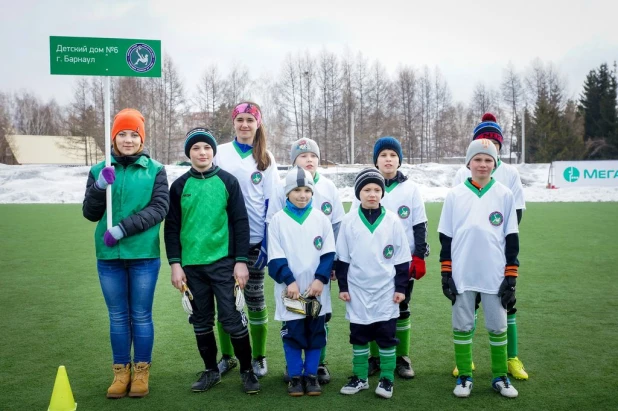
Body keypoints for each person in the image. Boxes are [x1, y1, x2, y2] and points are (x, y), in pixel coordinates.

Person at [164, 128, 260, 394]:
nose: (202, 152)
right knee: (201, 320)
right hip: (192, 267)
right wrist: (175, 264)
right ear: (189, 153)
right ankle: (210, 371)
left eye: (207, 148)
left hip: (224, 265)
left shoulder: (228, 182)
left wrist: (241, 261)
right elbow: (171, 227)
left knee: (232, 319)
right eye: (196, 148)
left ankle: (247, 371)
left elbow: (241, 222)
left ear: (213, 151)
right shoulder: (180, 186)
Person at [82, 108, 169, 399]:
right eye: (122, 134)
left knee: (141, 315)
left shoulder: (155, 169)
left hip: (143, 254)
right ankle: (121, 372)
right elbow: (90, 213)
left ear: (141, 138)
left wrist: (122, 229)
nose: (128, 140)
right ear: (114, 137)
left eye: (134, 134)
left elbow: (159, 208)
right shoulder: (99, 169)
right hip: (108, 258)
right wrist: (99, 187)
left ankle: (142, 371)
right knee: (118, 317)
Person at [438, 139, 520, 398]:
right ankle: (464, 376)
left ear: (495, 164)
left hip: (494, 275)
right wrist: (446, 273)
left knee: (498, 326)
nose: (483, 164)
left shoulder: (504, 195)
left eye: (488, 160)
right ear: (468, 163)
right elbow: (446, 238)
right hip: (463, 274)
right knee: (462, 326)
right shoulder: (455, 195)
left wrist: (511, 276)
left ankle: (500, 377)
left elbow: (512, 239)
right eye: (478, 159)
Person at [451, 112, 528, 381]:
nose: (488, 146)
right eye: (482, 140)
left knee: (507, 304)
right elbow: (457, 213)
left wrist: (500, 242)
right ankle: (466, 362)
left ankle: (511, 359)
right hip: (468, 256)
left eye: (493, 141)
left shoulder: (510, 173)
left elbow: (516, 214)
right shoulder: (463, 172)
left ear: (500, 146)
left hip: (498, 252)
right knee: (467, 306)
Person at [266, 138, 345, 384]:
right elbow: (275, 252)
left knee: (316, 327)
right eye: (303, 155)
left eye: (313, 155)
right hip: (290, 287)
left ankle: (314, 370)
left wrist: (324, 275)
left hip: (316, 284)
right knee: (294, 329)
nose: (302, 195)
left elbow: (331, 243)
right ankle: (295, 373)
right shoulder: (279, 215)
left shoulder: (322, 212)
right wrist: (288, 279)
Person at [351, 137, 429, 379]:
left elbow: (419, 224)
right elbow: (353, 225)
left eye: (393, 155)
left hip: (402, 262)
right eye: (383, 155)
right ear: (376, 160)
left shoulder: (411, 189)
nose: (388, 159)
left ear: (399, 160)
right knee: (372, 309)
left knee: (401, 307)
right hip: (371, 263)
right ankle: (374, 358)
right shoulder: (365, 186)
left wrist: (419, 256)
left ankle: (400, 358)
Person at [213, 102, 279, 378]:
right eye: (240, 119)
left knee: (254, 299)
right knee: (224, 302)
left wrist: (266, 239)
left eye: (250, 120)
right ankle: (227, 357)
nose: (244, 125)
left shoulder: (265, 157)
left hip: (253, 242)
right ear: (234, 122)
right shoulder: (220, 153)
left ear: (258, 124)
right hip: (222, 241)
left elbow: (272, 200)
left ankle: (259, 356)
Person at [336, 169, 411, 399]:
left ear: (382, 192)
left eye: (377, 189)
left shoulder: (392, 220)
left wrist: (400, 288)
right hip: (358, 290)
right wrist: (343, 288)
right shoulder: (348, 221)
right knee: (358, 335)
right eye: (367, 190)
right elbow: (342, 258)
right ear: (358, 192)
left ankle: (387, 379)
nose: (372, 194)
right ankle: (360, 377)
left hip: (386, 291)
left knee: (387, 336)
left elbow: (402, 258)